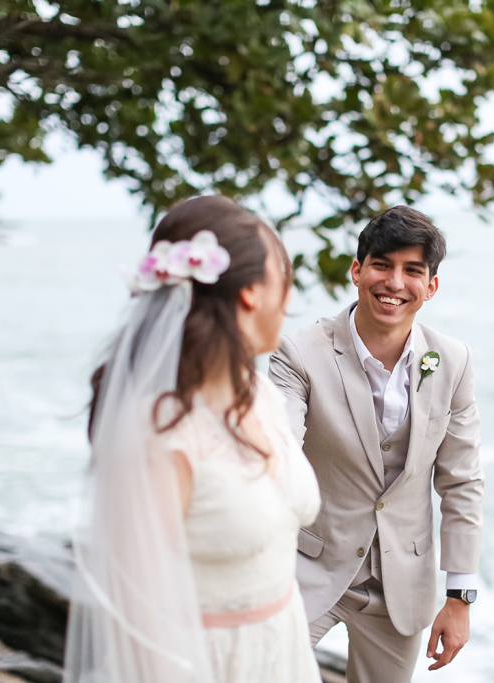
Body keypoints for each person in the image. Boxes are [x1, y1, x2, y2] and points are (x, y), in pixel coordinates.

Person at [63, 196, 322, 683]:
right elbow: (137, 617)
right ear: (251, 293)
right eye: (282, 277)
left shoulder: (261, 392)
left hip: (283, 656)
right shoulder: (158, 435)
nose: (290, 299)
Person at [269, 206, 485, 683]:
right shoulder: (299, 353)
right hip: (307, 569)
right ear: (357, 270)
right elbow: (279, 446)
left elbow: (462, 480)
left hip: (402, 586)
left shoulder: (452, 361)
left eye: (413, 271)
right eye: (382, 265)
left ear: (430, 287)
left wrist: (459, 597)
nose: (394, 282)